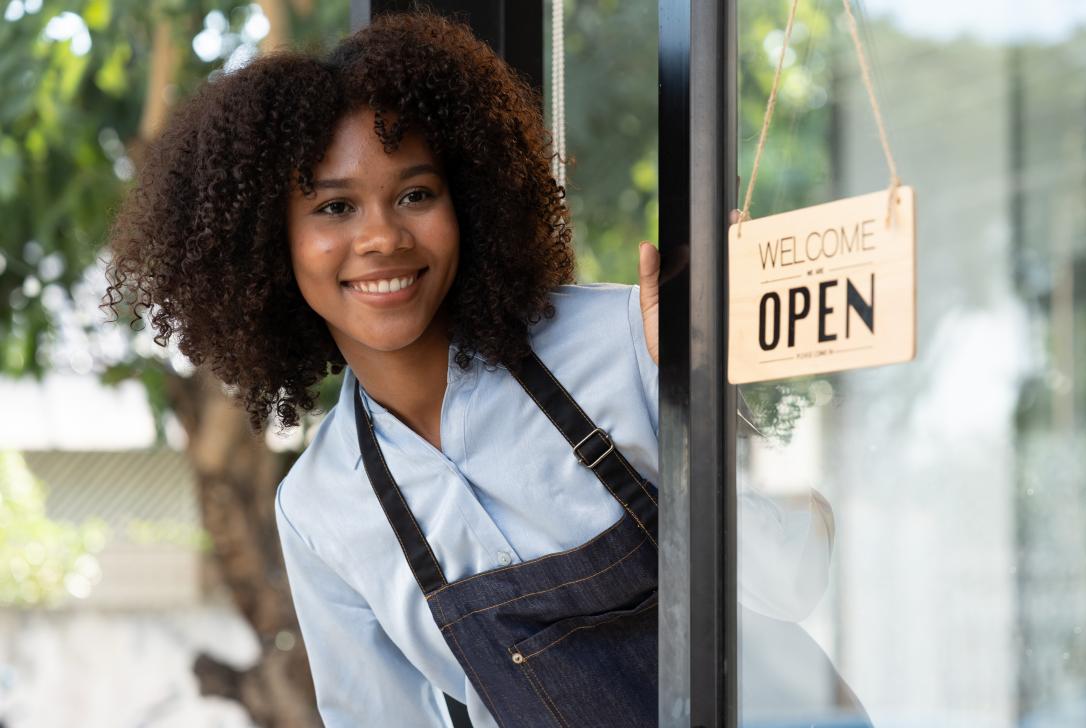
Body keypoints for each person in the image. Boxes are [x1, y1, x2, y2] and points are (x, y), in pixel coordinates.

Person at [105, 10, 847, 728]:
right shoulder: (322, 509)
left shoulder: (627, 339)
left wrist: (698, 401)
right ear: (272, 247)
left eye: (415, 195)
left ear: (470, 201)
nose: (382, 237)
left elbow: (794, 583)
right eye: (335, 209)